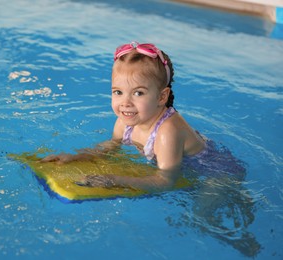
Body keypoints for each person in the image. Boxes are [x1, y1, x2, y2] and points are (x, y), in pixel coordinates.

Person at [41, 42, 240, 191]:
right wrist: (74, 158)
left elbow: (165, 181)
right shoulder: (125, 120)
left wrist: (116, 180)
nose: (125, 102)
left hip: (216, 173)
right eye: (118, 92)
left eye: (138, 93)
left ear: (162, 96)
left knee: (200, 217)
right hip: (182, 162)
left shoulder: (167, 132)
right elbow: (109, 148)